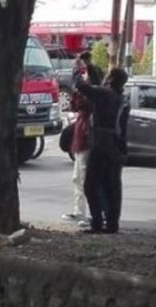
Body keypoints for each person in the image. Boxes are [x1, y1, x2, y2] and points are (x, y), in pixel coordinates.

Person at [75, 67, 130, 234]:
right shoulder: (122, 98)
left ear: (111, 78)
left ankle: (97, 222)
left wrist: (77, 69)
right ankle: (112, 223)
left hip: (101, 142)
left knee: (91, 185)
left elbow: (81, 86)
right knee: (111, 185)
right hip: (116, 144)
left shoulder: (105, 94)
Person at [61, 57, 94, 225]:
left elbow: (79, 92)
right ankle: (79, 210)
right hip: (81, 137)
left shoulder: (93, 94)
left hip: (87, 138)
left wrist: (76, 69)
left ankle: (88, 213)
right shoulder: (87, 96)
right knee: (78, 177)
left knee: (84, 177)